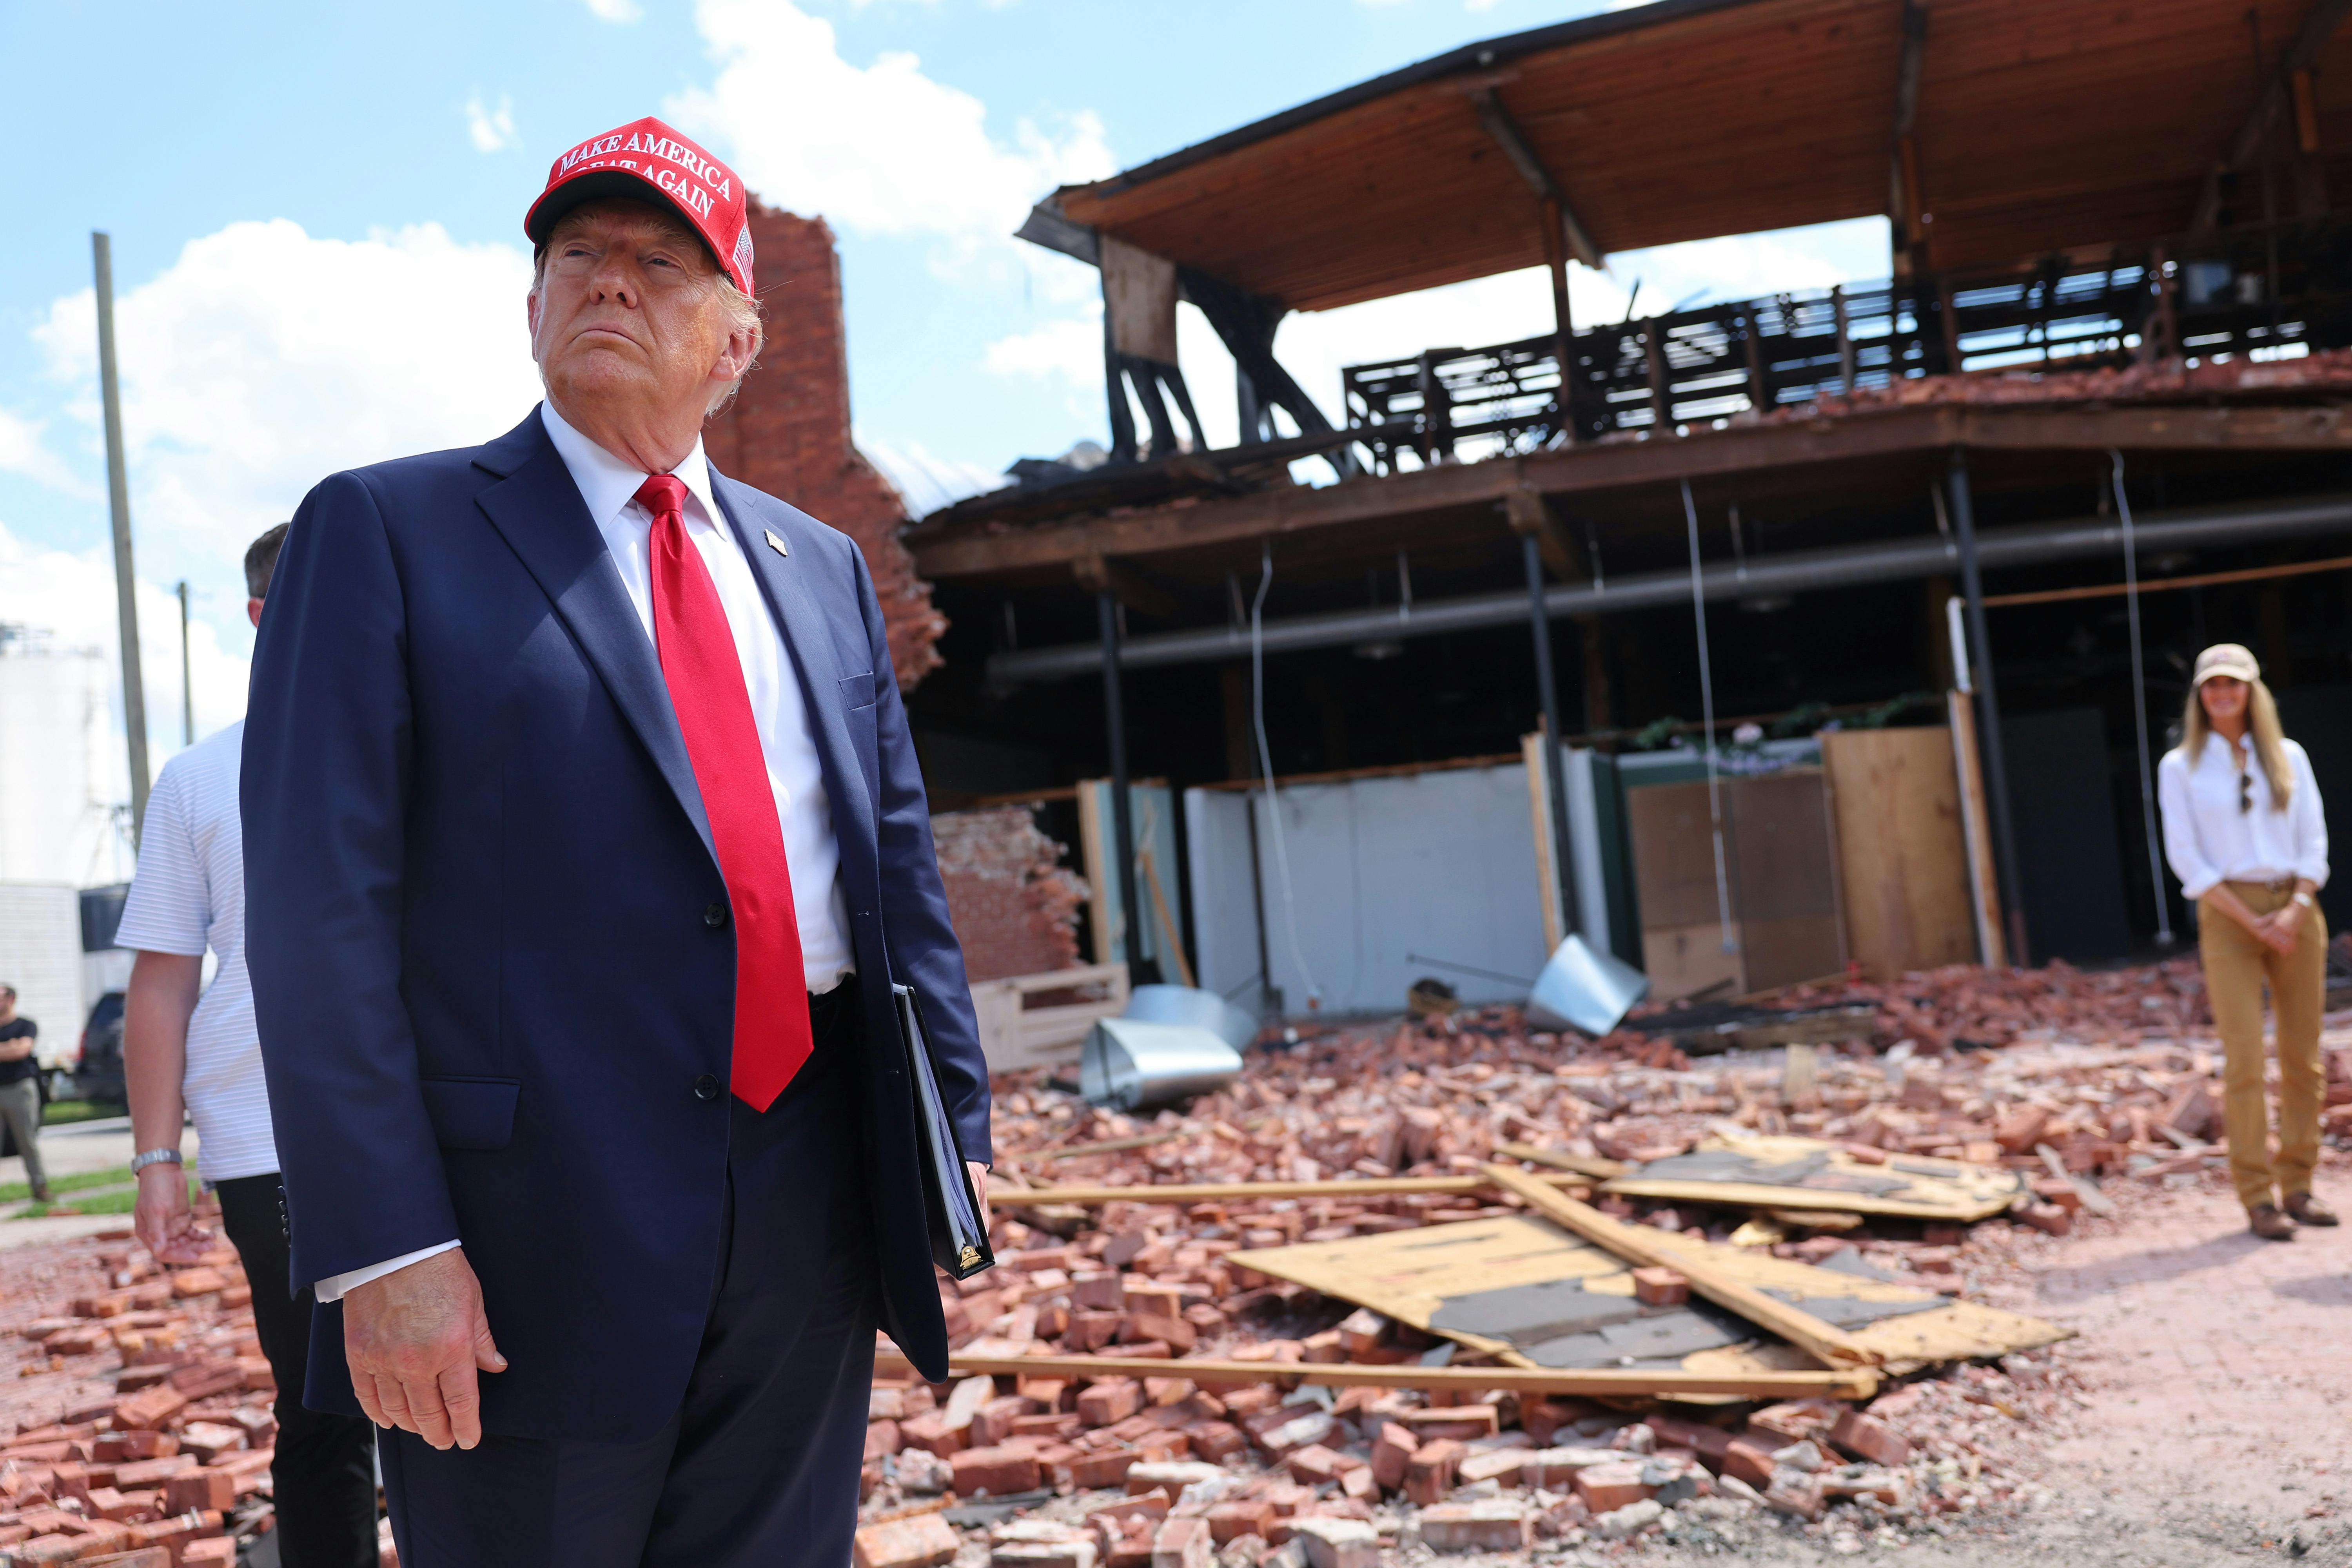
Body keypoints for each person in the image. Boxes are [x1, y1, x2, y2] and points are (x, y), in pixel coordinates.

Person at [241, 116, 991, 1568]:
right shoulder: (387, 533)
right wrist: (386, 1246)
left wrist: (943, 1145)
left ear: (736, 338)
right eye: (576, 255)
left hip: (806, 1200)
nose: (607, 282)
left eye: (659, 262)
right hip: (522, 1235)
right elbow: (318, 914)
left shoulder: (816, 566)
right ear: (530, 306)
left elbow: (894, 879)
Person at [116, 523, 379, 1568]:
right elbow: (165, 977)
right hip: (271, 1134)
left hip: (446, 1116)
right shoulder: (199, 776)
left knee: (475, 1386)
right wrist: (154, 1160)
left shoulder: (430, 742)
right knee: (323, 1409)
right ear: (265, 618)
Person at [2158, 642, 2333, 1241]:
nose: (2223, 694)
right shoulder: (2180, 766)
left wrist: (2296, 908)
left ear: (2252, 691)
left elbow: (2315, 841)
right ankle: (2257, 1196)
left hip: (2297, 907)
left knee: (2303, 1057)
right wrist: (2250, 918)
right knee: (2244, 1058)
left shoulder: (2288, 756)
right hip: (2228, 913)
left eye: (2234, 684)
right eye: (2212, 685)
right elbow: (2186, 856)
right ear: (2201, 696)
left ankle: (2300, 1184)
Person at [0, 985, 45, 1203]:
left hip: (19, 1088)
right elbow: (13, 1050)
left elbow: (22, 1050)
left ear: (11, 999)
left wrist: (14, 1048)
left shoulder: (25, 1025)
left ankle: (40, 1187)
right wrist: (8, 1048)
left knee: (27, 1140)